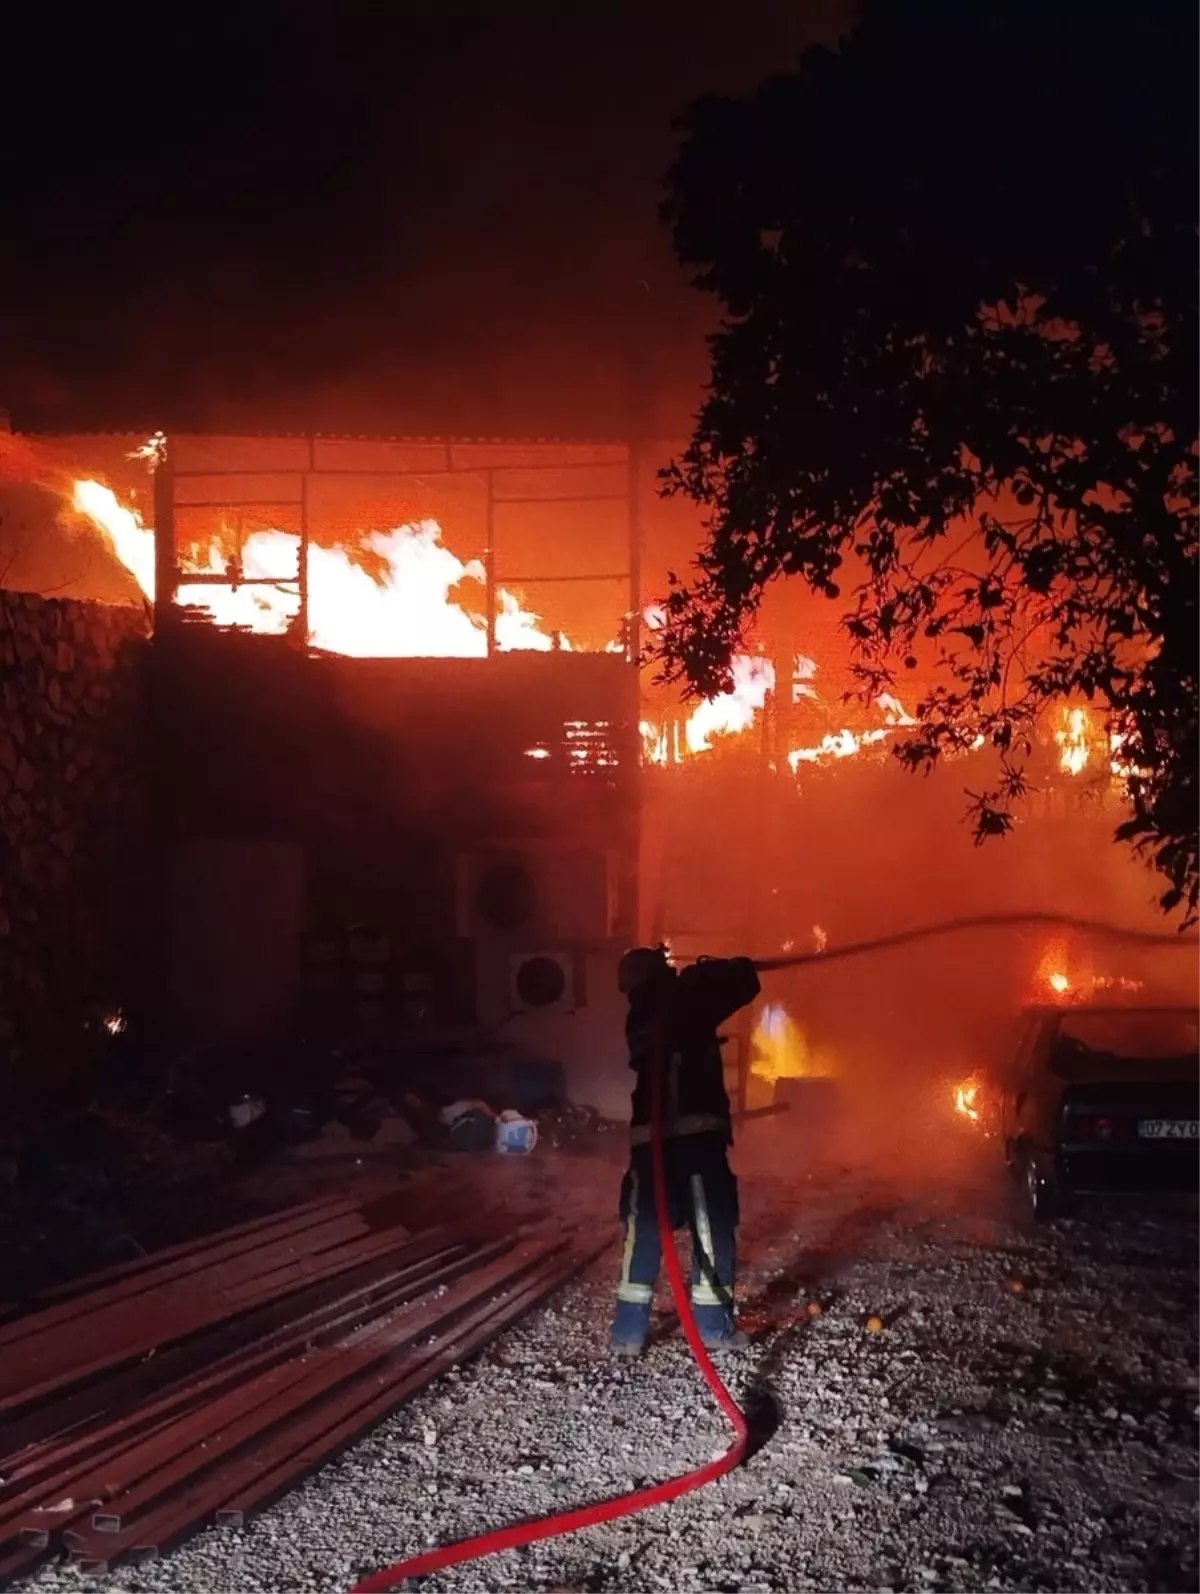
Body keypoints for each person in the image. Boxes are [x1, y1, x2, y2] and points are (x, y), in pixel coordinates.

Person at [611, 945, 761, 1357]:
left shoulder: (641, 1016)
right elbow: (745, 983)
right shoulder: (684, 1002)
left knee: (642, 1235)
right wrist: (720, 967)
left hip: (650, 1148)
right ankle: (712, 1329)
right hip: (695, 1144)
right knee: (711, 1230)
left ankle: (626, 1335)